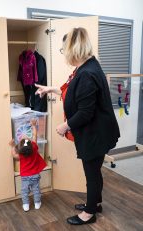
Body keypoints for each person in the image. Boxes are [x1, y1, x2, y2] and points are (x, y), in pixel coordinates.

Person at [35, 27, 120, 225]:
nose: (64, 54)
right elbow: (71, 91)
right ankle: (95, 202)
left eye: (64, 49)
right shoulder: (86, 68)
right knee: (94, 171)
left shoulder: (86, 74)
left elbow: (85, 112)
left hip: (95, 133)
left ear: (73, 48)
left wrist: (65, 126)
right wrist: (51, 89)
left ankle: (89, 213)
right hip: (97, 131)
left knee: (91, 173)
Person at [9, 119, 47, 212]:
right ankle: (37, 203)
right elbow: (34, 136)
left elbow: (14, 155)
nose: (26, 136)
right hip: (35, 175)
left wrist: (12, 146)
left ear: (20, 149)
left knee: (24, 191)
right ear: (31, 144)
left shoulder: (20, 154)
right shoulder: (34, 148)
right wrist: (33, 125)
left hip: (25, 177)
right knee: (36, 190)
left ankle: (26, 205)